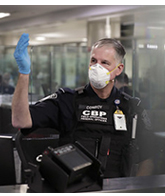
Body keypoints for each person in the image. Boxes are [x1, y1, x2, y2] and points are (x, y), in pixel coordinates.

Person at [12, 33, 154, 178]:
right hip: (75, 188)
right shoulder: (67, 100)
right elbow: (20, 121)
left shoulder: (131, 106)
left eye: (104, 63)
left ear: (118, 69)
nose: (97, 67)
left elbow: (147, 158)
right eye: (93, 61)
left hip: (117, 187)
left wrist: (134, 189)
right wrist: (24, 74)